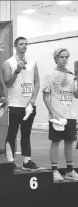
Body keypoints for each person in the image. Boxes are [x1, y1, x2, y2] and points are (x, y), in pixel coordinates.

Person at [2, 37, 41, 171]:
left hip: (29, 106)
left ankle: (26, 161)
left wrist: (33, 100)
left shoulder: (33, 62)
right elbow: (7, 83)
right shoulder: (8, 63)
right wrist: (17, 70)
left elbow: (36, 82)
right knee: (12, 133)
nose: (24, 46)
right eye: (21, 44)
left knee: (26, 133)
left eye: (26, 44)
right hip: (15, 105)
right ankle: (10, 161)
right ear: (15, 46)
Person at [42, 48, 78, 181]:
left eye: (66, 57)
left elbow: (76, 95)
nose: (64, 59)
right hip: (56, 115)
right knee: (55, 142)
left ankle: (69, 170)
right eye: (62, 57)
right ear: (56, 58)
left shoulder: (72, 75)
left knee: (69, 142)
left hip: (70, 114)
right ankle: (54, 170)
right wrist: (52, 113)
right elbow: (46, 96)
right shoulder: (49, 75)